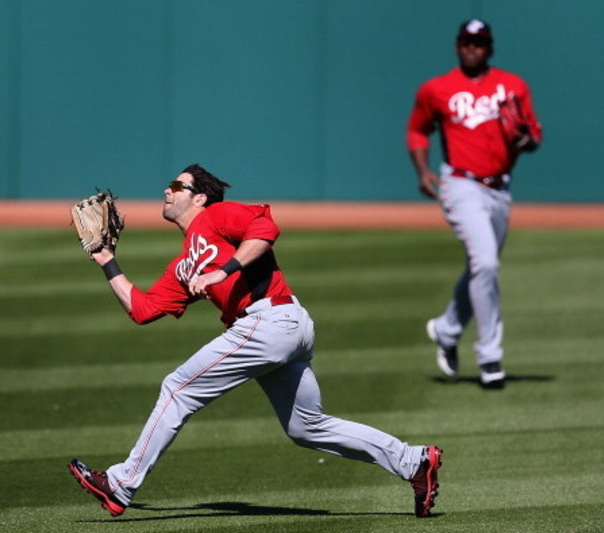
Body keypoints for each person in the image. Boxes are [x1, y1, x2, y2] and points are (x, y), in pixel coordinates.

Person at [67, 163, 443, 518]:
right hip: (281, 328)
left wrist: (223, 272)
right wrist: (106, 260)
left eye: (178, 185)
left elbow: (265, 228)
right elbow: (143, 309)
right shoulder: (184, 263)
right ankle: (413, 461)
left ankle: (121, 483)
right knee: (306, 427)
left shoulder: (216, 216)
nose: (168, 190)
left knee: (178, 388)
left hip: (271, 321)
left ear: (199, 197)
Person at [406, 20, 542, 388]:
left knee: (480, 269)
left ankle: (447, 330)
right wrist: (422, 170)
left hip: (500, 189)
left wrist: (524, 139)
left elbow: (533, 137)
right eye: (466, 42)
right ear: (457, 46)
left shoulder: (513, 86)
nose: (472, 48)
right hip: (460, 183)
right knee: (486, 262)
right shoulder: (437, 89)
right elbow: (418, 128)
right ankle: (490, 358)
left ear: (489, 48)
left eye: (479, 43)